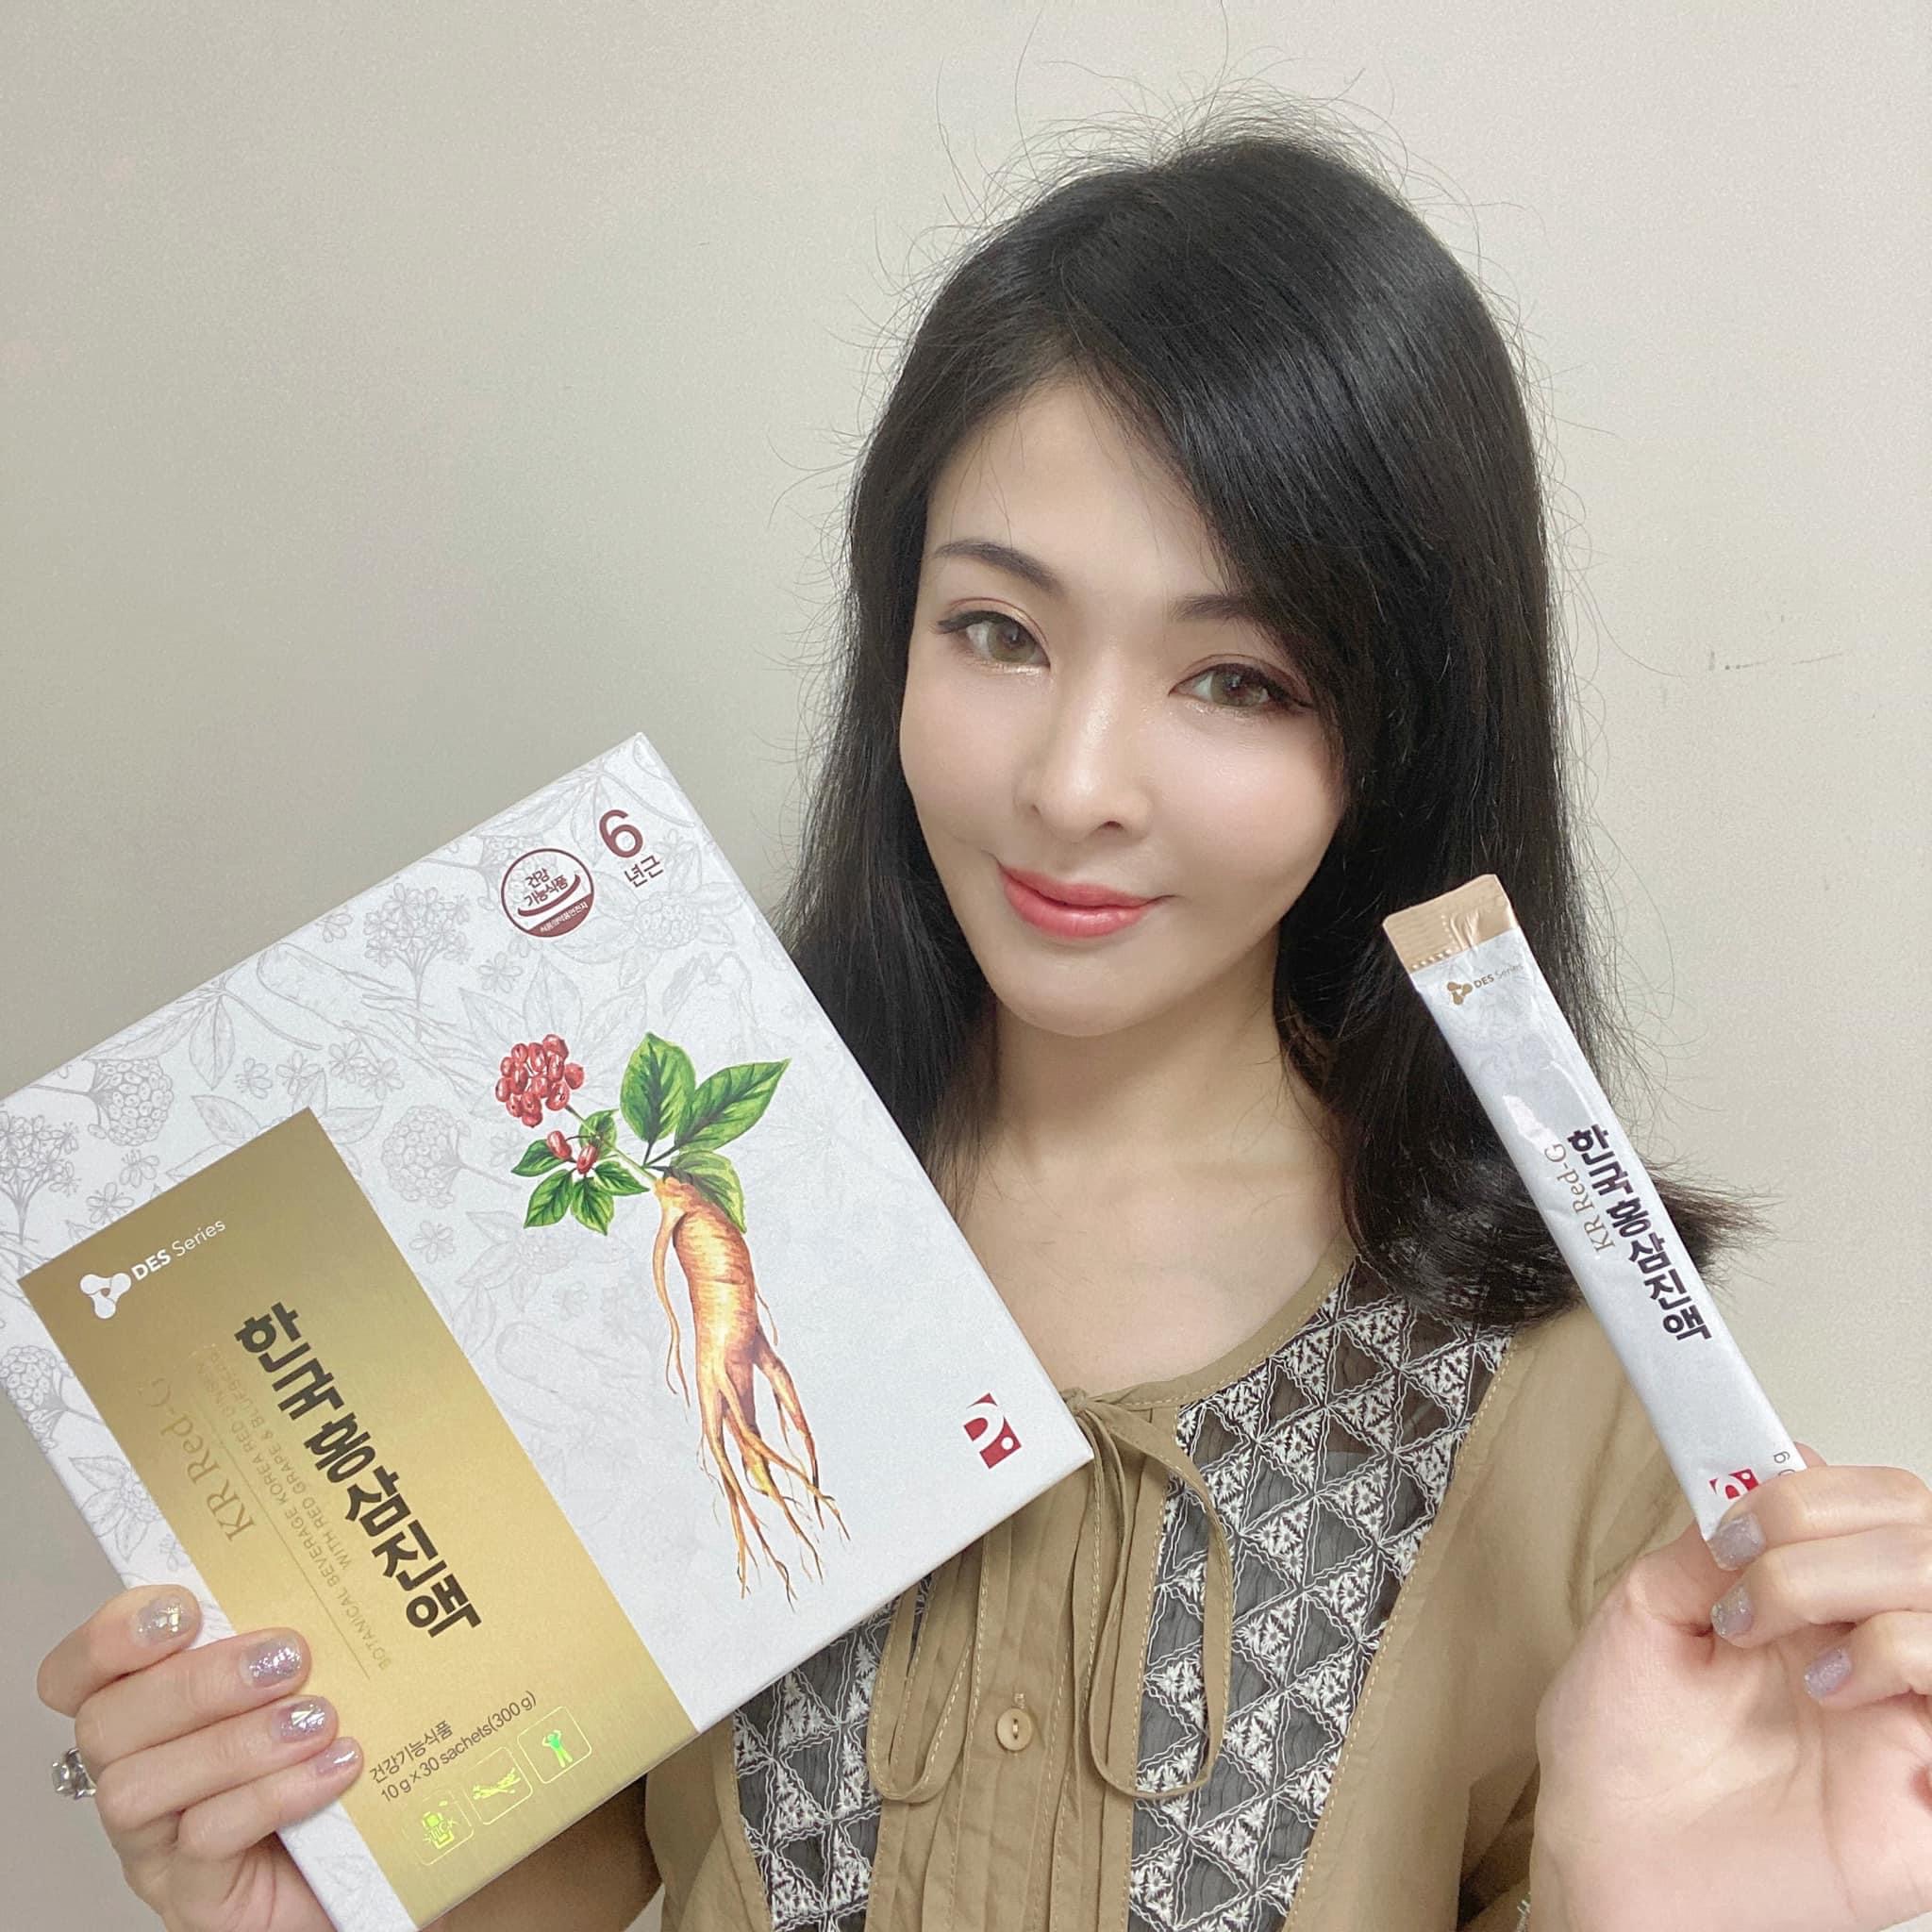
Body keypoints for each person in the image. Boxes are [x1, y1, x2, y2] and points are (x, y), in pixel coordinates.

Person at [35, 104, 1932, 1932]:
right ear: (896, 631)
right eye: (999, 633)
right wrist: (325, 1883)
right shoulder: (668, 1210)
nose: (1074, 783)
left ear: (1400, 723)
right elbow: (561, 1853)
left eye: (1239, 678)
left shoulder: (1562, 1374)